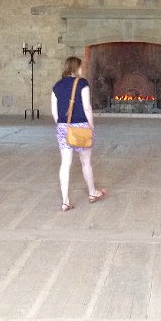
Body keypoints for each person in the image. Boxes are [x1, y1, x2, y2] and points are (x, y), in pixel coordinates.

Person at [50, 56, 106, 211]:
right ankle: (92, 193)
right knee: (86, 162)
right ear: (76, 68)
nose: (82, 69)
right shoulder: (82, 83)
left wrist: (62, 125)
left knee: (65, 164)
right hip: (81, 127)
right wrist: (91, 125)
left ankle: (65, 201)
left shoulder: (57, 86)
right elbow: (87, 107)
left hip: (64, 126)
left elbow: (54, 112)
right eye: (80, 67)